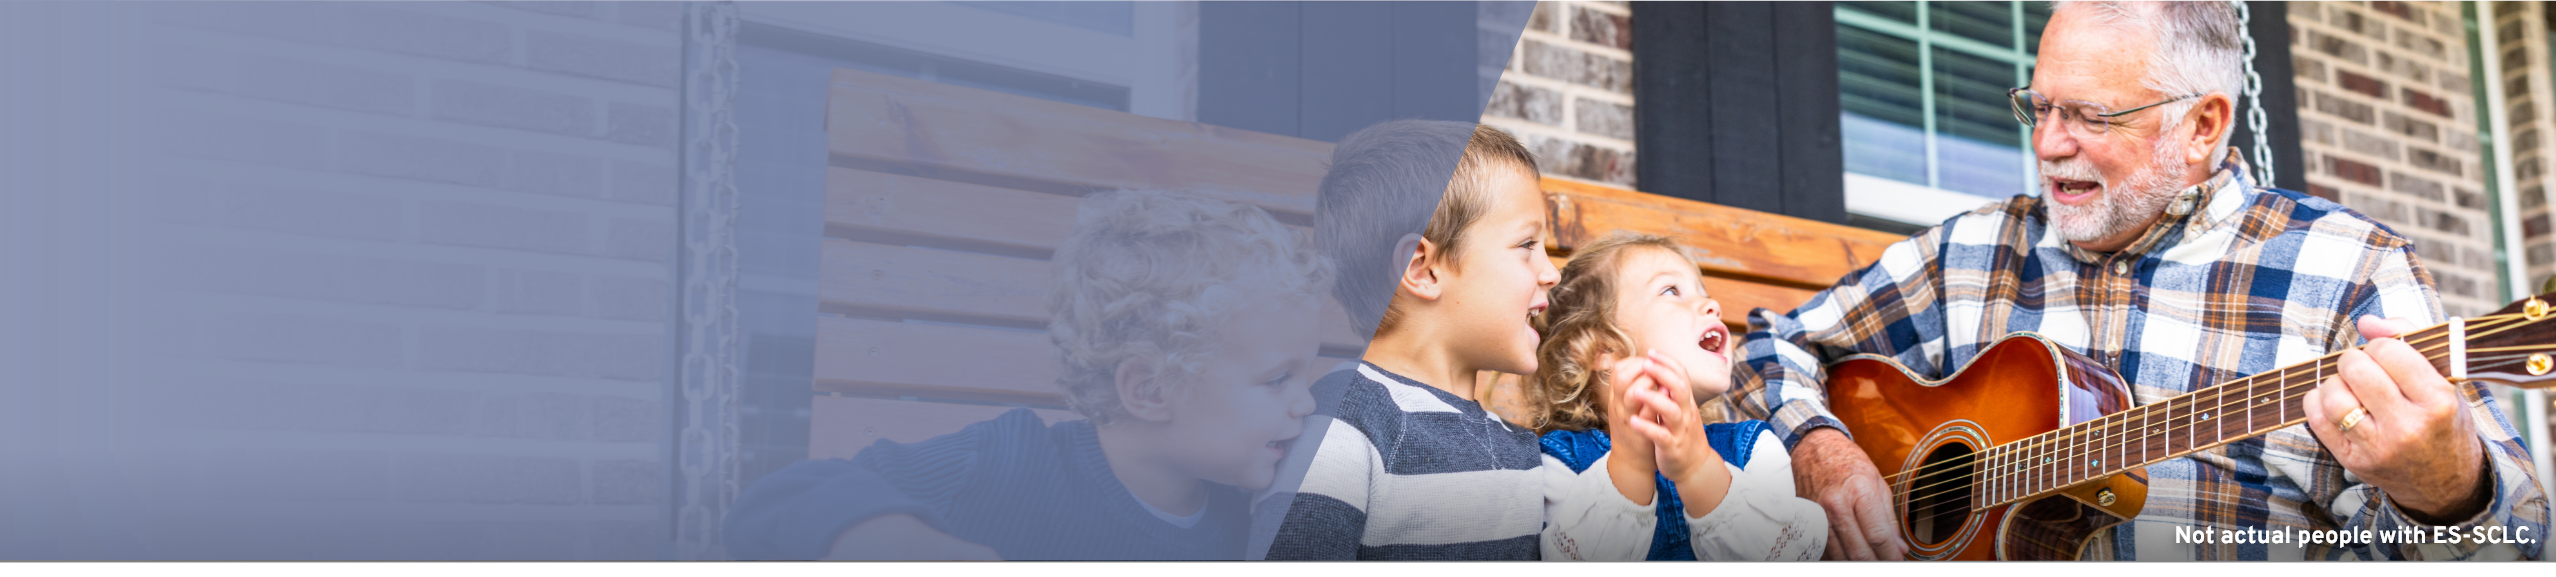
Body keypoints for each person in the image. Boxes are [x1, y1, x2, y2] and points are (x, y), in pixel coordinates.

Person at [1731, 0, 2549, 560]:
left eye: (2090, 115)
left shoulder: (2352, 270)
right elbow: (1768, 346)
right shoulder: (1974, 249)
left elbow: (2520, 538)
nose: (2049, 144)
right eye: (2039, 106)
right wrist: (1823, 447)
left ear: (2202, 126)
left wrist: (2444, 488)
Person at [721, 190, 1334, 560]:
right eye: (1278, 379)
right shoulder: (1005, 464)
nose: (1304, 403)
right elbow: (779, 499)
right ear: (1150, 389)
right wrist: (882, 537)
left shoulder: (1257, 515)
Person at [1257, 122, 1562, 560]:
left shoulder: (1518, 445)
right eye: (1527, 244)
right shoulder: (1343, 424)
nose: (1551, 272)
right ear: (1422, 269)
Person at [1525, 232, 1826, 561]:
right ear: (1603, 347)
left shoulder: (1755, 448)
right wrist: (1630, 466)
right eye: (1671, 290)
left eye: (1704, 293)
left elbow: (1787, 552)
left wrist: (1698, 468)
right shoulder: (1560, 463)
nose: (1713, 306)